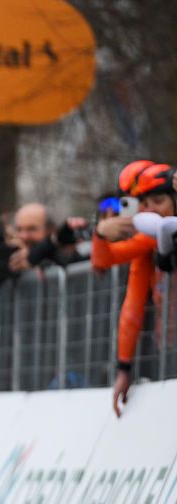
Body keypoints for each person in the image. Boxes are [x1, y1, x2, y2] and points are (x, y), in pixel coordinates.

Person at [92, 161, 175, 416]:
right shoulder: (147, 242)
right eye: (144, 204)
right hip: (171, 349)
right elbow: (132, 306)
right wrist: (101, 233)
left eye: (159, 201)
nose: (150, 210)